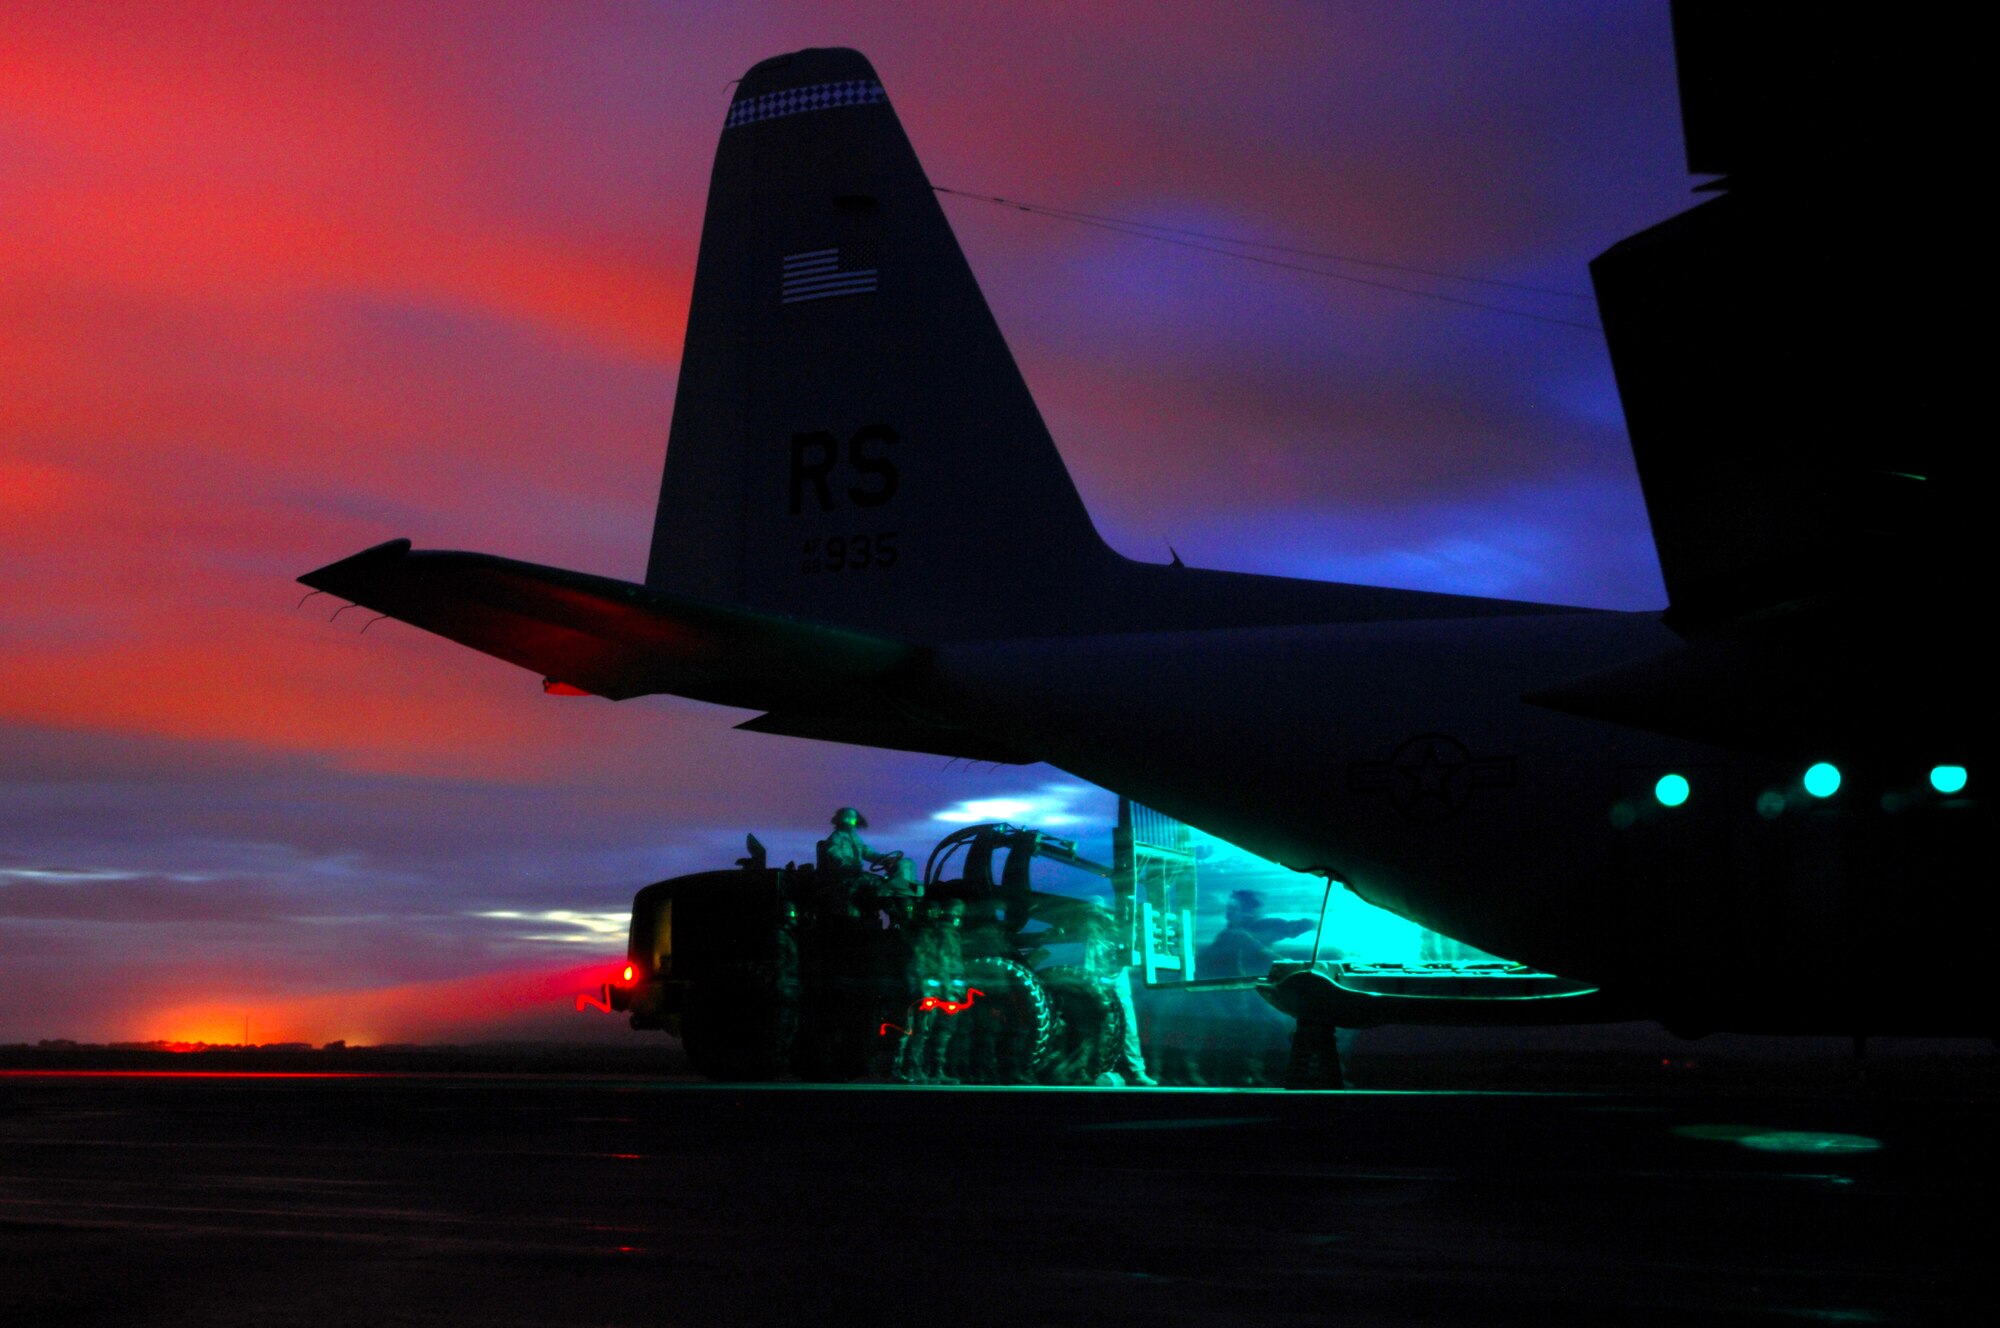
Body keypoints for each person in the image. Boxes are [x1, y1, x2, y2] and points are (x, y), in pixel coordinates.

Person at [820, 807, 921, 897]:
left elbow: (867, 853)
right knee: (878, 885)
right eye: (854, 821)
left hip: (856, 874)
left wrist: (884, 859)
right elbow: (834, 855)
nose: (855, 824)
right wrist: (849, 865)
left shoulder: (855, 839)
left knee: (905, 865)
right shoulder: (836, 837)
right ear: (845, 820)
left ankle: (907, 892)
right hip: (845, 876)